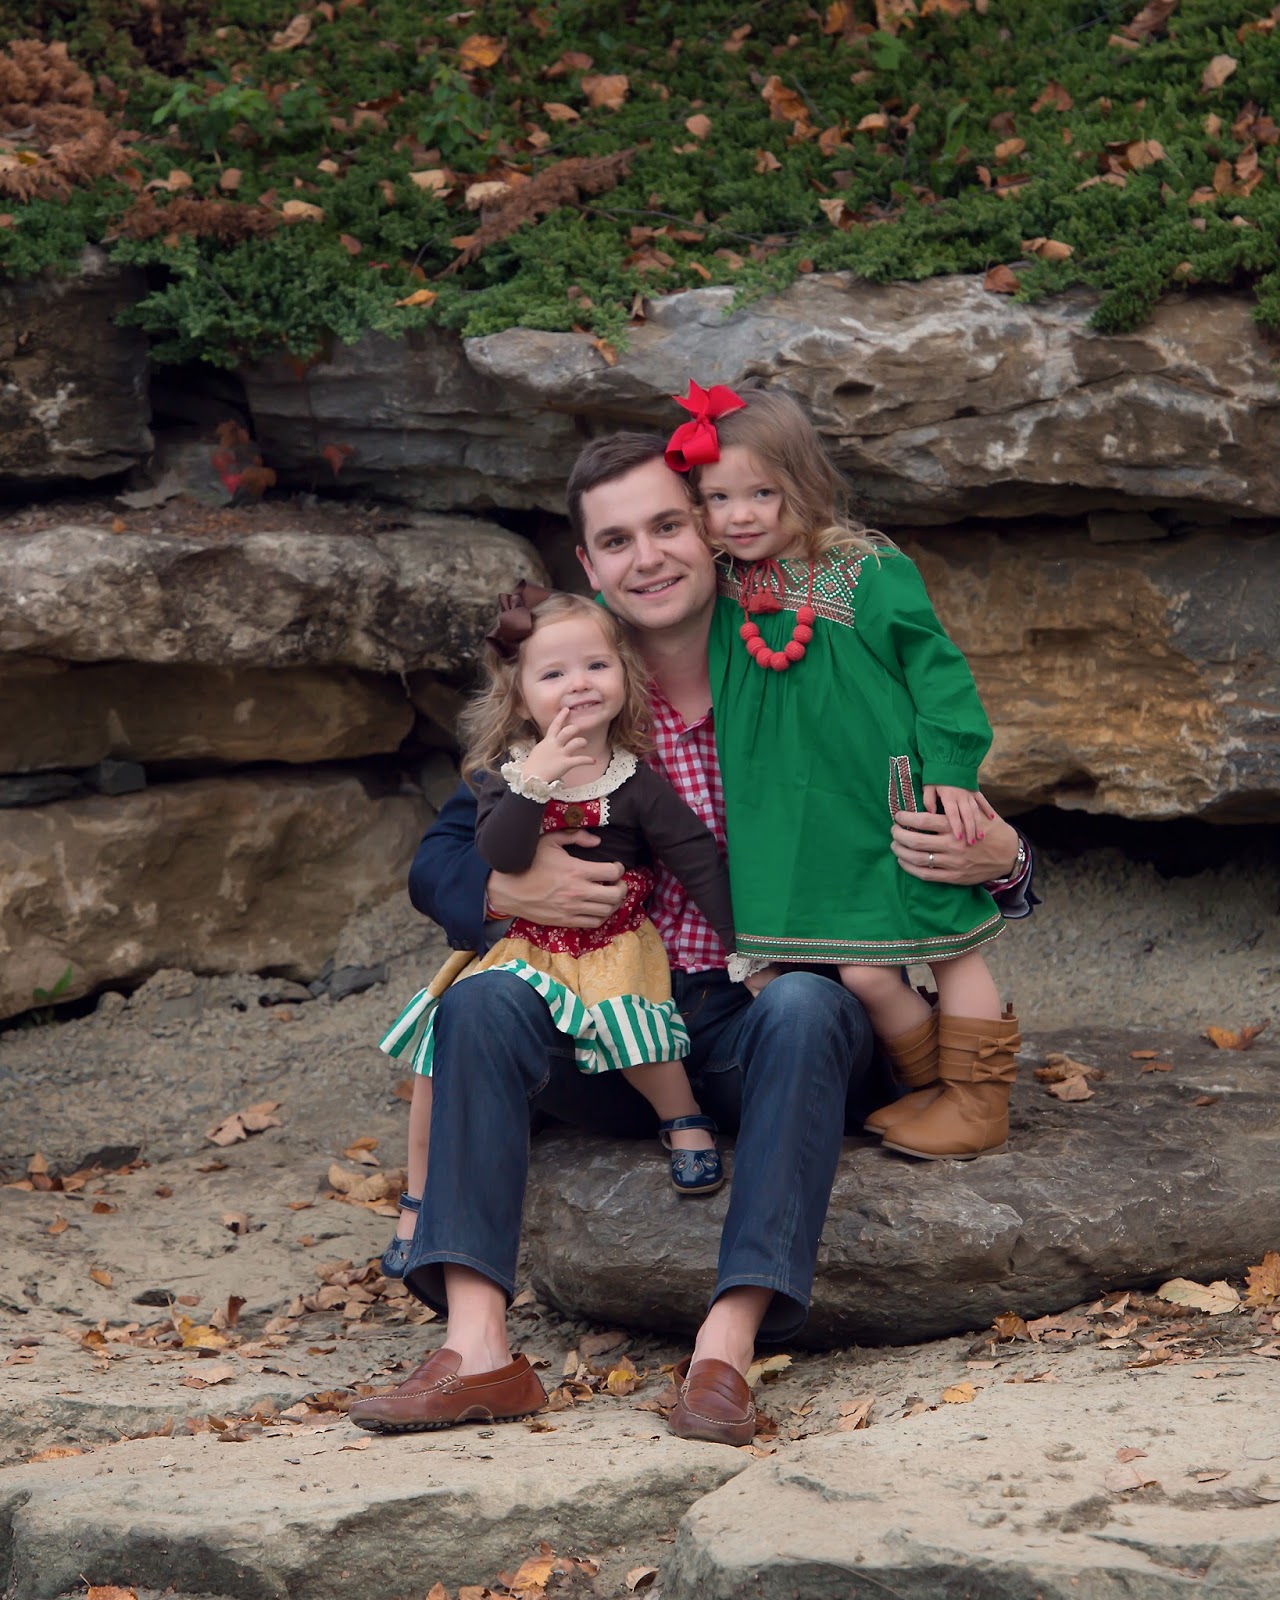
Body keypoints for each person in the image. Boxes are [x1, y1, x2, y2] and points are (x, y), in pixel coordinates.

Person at [349, 431, 1034, 1445]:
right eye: (616, 540)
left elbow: (928, 786)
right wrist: (505, 885)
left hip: (766, 1028)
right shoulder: (579, 683)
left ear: (710, 529)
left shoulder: (800, 644)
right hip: (618, 1035)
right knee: (480, 1002)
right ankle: (479, 1347)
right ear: (588, 565)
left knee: (808, 1002)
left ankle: (725, 1347)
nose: (648, 556)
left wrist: (1006, 860)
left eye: (668, 524)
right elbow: (440, 859)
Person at [670, 380, 1020, 1161]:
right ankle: (929, 1089)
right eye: (719, 499)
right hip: (802, 817)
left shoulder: (866, 571)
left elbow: (938, 668)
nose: (741, 515)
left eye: (762, 493)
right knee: (864, 970)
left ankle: (979, 1102)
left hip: (888, 800)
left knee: (948, 943)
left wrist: (953, 766)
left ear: (804, 483)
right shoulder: (726, 586)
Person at [381, 584, 747, 1201]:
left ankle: (685, 1123)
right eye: (553, 674)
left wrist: (743, 948)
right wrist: (534, 784)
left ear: (626, 678)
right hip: (530, 947)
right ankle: (421, 1200)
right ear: (520, 698)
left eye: (596, 666)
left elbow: (696, 859)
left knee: (629, 1026)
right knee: (443, 1042)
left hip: (611, 943)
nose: (578, 684)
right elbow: (499, 853)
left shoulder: (633, 780)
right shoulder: (508, 773)